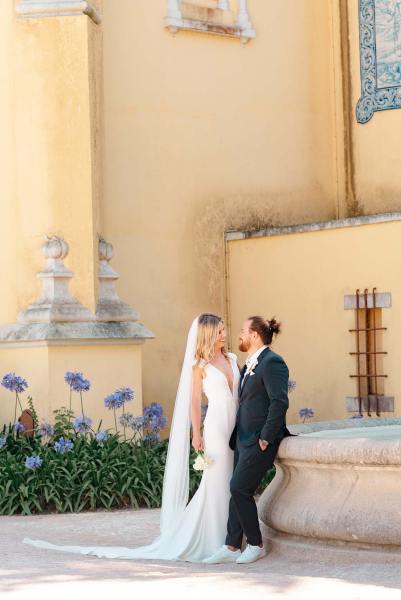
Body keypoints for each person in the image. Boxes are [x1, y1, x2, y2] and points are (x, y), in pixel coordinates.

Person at [23, 313, 240, 562]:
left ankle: (235, 536)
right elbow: (194, 402)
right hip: (216, 428)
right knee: (218, 480)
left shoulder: (231, 358)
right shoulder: (199, 366)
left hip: (237, 426)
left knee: (235, 479)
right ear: (209, 334)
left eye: (224, 330)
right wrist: (196, 433)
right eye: (220, 331)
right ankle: (217, 539)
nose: (224, 334)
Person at [203, 316, 290, 565]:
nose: (238, 335)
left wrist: (265, 437)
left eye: (243, 331)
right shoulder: (249, 363)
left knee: (239, 488)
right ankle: (231, 546)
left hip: (260, 440)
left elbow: (279, 402)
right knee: (237, 489)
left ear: (254, 335)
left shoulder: (273, 362)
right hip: (242, 438)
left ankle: (255, 544)